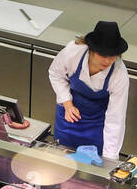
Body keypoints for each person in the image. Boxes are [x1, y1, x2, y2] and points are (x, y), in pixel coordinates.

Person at [47, 20, 130, 159]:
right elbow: (56, 74)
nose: (107, 61)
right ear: (91, 49)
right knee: (60, 163)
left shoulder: (119, 75)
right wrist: (67, 103)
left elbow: (116, 119)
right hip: (68, 118)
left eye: (112, 56)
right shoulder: (73, 53)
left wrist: (109, 160)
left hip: (96, 126)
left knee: (90, 168)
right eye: (103, 55)